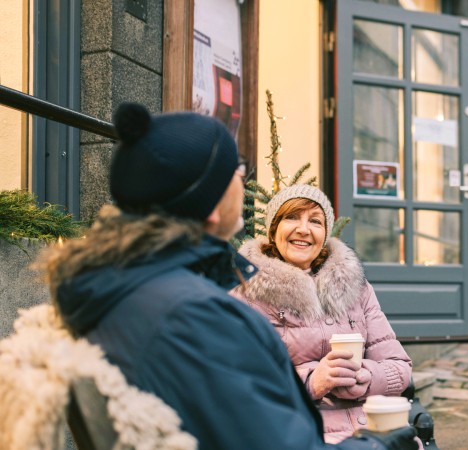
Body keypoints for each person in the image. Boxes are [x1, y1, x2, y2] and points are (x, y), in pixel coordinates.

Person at [35, 102, 417, 450]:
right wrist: (378, 446)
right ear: (212, 204)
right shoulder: (200, 314)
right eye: (235, 170)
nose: (242, 177)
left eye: (315, 221)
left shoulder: (117, 288)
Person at [232, 184, 413, 444]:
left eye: (315, 221)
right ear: (273, 230)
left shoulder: (355, 286)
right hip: (299, 435)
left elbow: (401, 369)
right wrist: (311, 382)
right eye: (291, 217)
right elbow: (240, 386)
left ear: (325, 233)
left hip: (373, 432)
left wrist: (367, 377)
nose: (303, 229)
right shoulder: (246, 293)